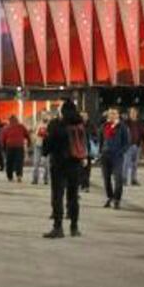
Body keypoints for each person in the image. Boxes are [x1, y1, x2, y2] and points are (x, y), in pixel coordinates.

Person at [42, 100, 87, 238]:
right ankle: (74, 227)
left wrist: (45, 150)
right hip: (75, 163)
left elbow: (48, 144)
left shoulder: (56, 124)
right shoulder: (79, 124)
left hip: (59, 164)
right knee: (73, 196)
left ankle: (58, 227)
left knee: (58, 195)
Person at [99, 108, 130, 209]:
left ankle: (117, 199)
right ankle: (110, 197)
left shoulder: (122, 127)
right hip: (105, 156)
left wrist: (120, 152)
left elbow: (126, 143)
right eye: (110, 113)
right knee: (106, 179)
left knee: (118, 179)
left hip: (117, 157)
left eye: (114, 113)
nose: (112, 115)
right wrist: (100, 152)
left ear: (118, 115)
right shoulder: (104, 126)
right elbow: (100, 140)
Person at [0, 115, 29, 182]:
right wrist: (29, 143)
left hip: (9, 146)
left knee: (9, 162)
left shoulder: (6, 128)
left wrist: (3, 147)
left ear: (9, 121)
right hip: (19, 146)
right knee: (19, 161)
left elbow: (2, 138)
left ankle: (10, 176)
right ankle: (19, 175)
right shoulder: (21, 126)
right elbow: (27, 135)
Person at [123, 107, 144, 186]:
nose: (133, 114)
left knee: (135, 164)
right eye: (131, 113)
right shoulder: (125, 123)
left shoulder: (140, 123)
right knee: (126, 163)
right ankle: (124, 179)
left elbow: (142, 133)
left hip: (137, 145)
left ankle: (133, 179)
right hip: (128, 146)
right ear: (129, 114)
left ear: (137, 113)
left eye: (134, 112)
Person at [30, 112, 50, 185]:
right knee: (36, 162)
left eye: (45, 115)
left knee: (47, 164)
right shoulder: (38, 124)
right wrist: (34, 139)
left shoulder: (50, 124)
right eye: (43, 115)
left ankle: (46, 179)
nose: (44, 117)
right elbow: (33, 133)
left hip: (47, 146)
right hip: (38, 144)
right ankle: (35, 179)